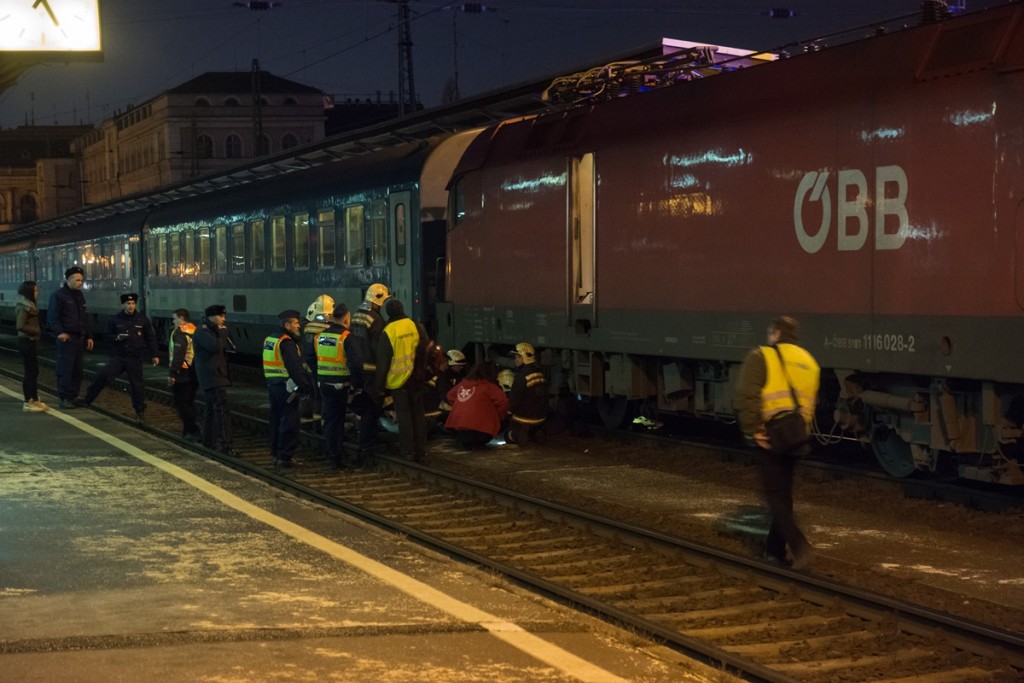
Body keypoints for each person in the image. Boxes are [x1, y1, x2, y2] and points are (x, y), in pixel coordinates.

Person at [735, 315, 821, 570]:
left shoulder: (762, 356)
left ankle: (799, 546)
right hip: (797, 436)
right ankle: (773, 551)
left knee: (774, 495)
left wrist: (752, 430)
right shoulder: (809, 362)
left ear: (775, 334)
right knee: (784, 494)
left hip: (772, 433)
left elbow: (747, 395)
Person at [83, 293, 159, 420]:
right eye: (128, 304)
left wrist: (155, 354)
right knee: (102, 376)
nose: (131, 306)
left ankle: (140, 411)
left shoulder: (143, 320)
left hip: (135, 357)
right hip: (119, 357)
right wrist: (116, 338)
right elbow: (106, 336)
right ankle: (87, 400)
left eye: (133, 303)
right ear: (123, 305)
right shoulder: (115, 319)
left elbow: (151, 338)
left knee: (137, 386)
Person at [374, 298, 430, 463]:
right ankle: (421, 451)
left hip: (398, 380)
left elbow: (383, 362)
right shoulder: (415, 325)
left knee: (404, 417)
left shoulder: (389, 331)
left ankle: (407, 452)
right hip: (416, 378)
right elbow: (425, 347)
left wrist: (379, 387)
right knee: (418, 415)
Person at [263, 309, 313, 468]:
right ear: (287, 324)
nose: (299, 326)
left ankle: (275, 453)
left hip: (273, 386)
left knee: (276, 420)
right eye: (296, 323)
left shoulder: (270, 339)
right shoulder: (287, 343)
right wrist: (305, 386)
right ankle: (285, 457)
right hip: (286, 388)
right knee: (289, 422)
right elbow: (295, 368)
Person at [315, 302, 358, 467]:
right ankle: (335, 457)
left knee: (330, 419)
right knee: (337, 421)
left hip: (323, 383)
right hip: (339, 384)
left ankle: (330, 451)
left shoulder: (321, 336)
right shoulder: (346, 337)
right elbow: (355, 364)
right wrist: (356, 385)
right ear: (347, 318)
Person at [349, 282, 390, 452]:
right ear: (378, 301)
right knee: (372, 406)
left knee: (363, 403)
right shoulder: (377, 320)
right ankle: (368, 441)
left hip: (356, 365)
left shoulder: (357, 315)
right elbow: (377, 347)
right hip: (370, 368)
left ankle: (365, 435)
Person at [47, 266, 94, 409]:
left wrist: (89, 336)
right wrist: (60, 332)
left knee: (77, 370)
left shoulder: (79, 296)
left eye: (81, 280)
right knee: (65, 369)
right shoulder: (58, 296)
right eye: (76, 280)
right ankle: (65, 397)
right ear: (68, 280)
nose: (80, 283)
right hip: (66, 339)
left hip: (79, 338)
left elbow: (84, 318)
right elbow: (53, 316)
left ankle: (73, 396)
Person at [194, 304, 235, 456]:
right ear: (212, 316)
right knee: (222, 410)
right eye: (221, 316)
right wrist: (223, 334)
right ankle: (226, 445)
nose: (223, 319)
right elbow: (214, 346)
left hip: (215, 376)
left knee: (211, 410)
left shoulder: (210, 330)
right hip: (213, 377)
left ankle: (208, 441)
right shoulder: (203, 331)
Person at [445, 362, 509, 449]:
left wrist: (461, 406)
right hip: (481, 431)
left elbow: (450, 396)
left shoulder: (462, 385)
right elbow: (503, 402)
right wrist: (497, 417)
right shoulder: (489, 387)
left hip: (457, 430)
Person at [168, 308, 201, 441]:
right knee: (189, 402)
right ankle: (187, 430)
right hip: (195, 372)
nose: (173, 321)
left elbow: (178, 355)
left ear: (181, 319)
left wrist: (172, 373)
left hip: (182, 373)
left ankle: (192, 430)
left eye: (174, 319)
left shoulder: (181, 333)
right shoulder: (195, 330)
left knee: (182, 403)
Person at [300, 293, 335, 420]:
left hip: (310, 367)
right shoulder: (328, 327)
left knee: (313, 395)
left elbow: (305, 347)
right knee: (322, 398)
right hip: (323, 368)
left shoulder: (308, 327)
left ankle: (313, 422)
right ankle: (321, 424)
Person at [15, 280, 47, 413]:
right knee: (30, 372)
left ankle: (34, 398)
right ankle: (28, 401)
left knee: (34, 371)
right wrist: (37, 331)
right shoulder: (24, 306)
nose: (37, 292)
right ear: (29, 292)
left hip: (30, 341)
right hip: (26, 341)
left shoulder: (29, 305)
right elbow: (20, 325)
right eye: (35, 291)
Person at [506, 342, 548, 445]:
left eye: (518, 357)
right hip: (540, 419)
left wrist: (508, 412)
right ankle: (534, 433)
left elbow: (514, 400)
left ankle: (516, 436)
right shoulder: (540, 374)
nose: (515, 360)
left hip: (523, 419)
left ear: (525, 358)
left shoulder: (521, 377)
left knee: (508, 435)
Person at [423, 348, 467, 428]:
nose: (461, 368)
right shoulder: (442, 378)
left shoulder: (446, 376)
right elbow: (447, 397)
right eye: (459, 365)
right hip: (434, 411)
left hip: (431, 409)